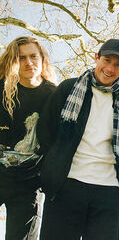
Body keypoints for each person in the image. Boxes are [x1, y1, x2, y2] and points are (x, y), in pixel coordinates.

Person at [37, 38, 119, 240]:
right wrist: (54, 168)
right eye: (107, 60)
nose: (110, 68)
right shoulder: (68, 88)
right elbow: (46, 130)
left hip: (107, 191)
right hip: (66, 184)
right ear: (96, 58)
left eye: (118, 64)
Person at [0, 36, 56, 240]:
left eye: (33, 56)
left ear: (42, 59)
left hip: (29, 183)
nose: (28, 62)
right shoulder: (2, 88)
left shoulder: (54, 95)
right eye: (21, 58)